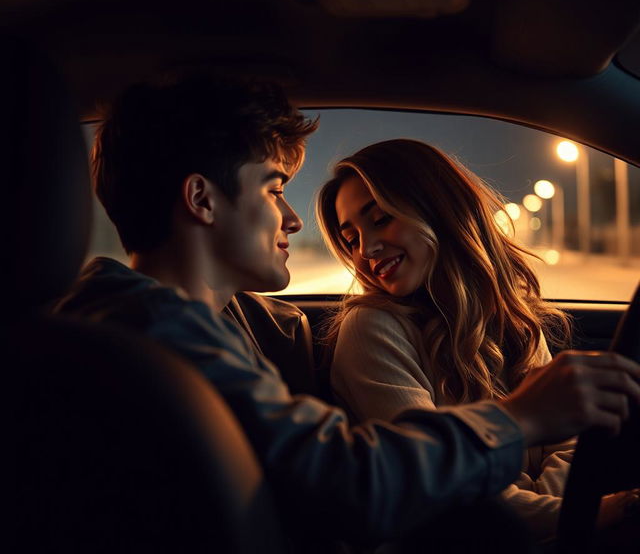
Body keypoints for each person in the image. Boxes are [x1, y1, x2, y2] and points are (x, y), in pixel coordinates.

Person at [56, 77, 640, 549]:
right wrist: (519, 420)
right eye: (272, 188)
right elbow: (345, 482)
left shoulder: (250, 325)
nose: (291, 220)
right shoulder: (144, 334)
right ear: (202, 199)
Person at [316, 138, 640, 543]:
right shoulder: (371, 328)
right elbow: (435, 476)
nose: (366, 249)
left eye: (380, 219)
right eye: (351, 240)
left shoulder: (514, 320)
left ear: (439, 209)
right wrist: (583, 515)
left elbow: (568, 444)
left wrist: (551, 513)